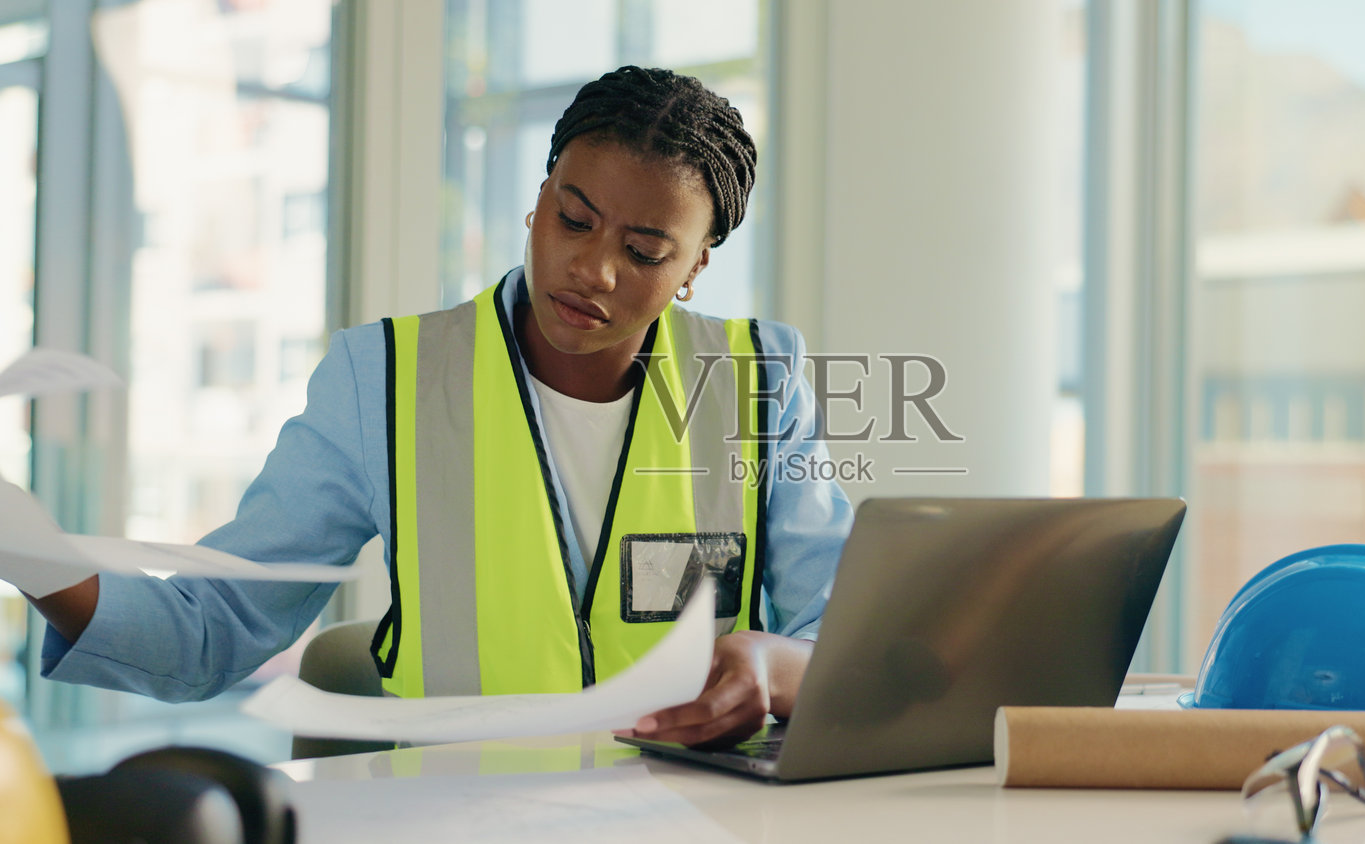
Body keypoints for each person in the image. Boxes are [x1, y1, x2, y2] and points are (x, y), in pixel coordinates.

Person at [26, 66, 851, 747]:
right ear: (539, 199)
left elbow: (852, 640)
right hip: (456, 816)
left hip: (697, 820)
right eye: (573, 220)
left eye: (643, 252)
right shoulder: (382, 379)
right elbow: (213, 627)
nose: (592, 269)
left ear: (695, 268)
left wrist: (771, 663)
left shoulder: (760, 380)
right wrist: (27, 551)